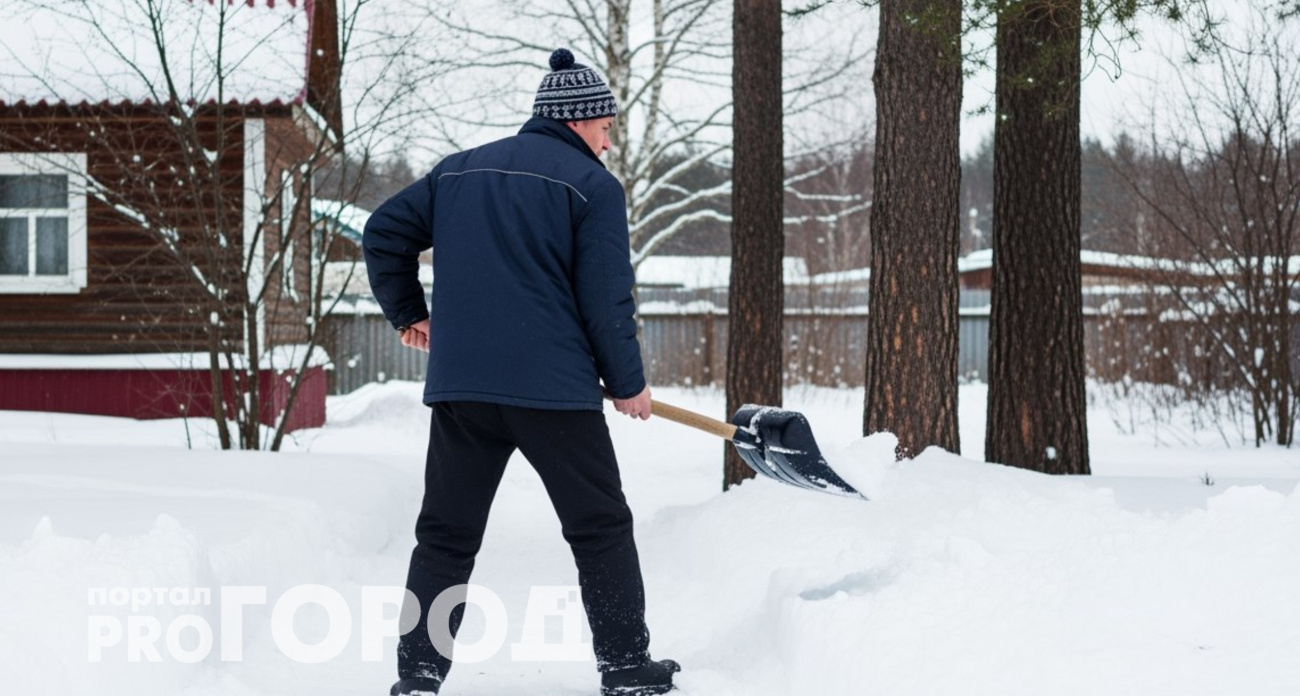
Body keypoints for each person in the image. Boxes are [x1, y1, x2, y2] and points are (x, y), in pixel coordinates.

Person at [363, 48, 680, 696]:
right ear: (577, 120)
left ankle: (419, 675)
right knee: (600, 528)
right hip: (553, 392)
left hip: (463, 390)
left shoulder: (457, 172)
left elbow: (382, 232)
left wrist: (408, 314)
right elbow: (605, 296)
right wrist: (627, 383)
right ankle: (625, 667)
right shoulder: (593, 187)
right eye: (605, 125)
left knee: (445, 537)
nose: (609, 138)